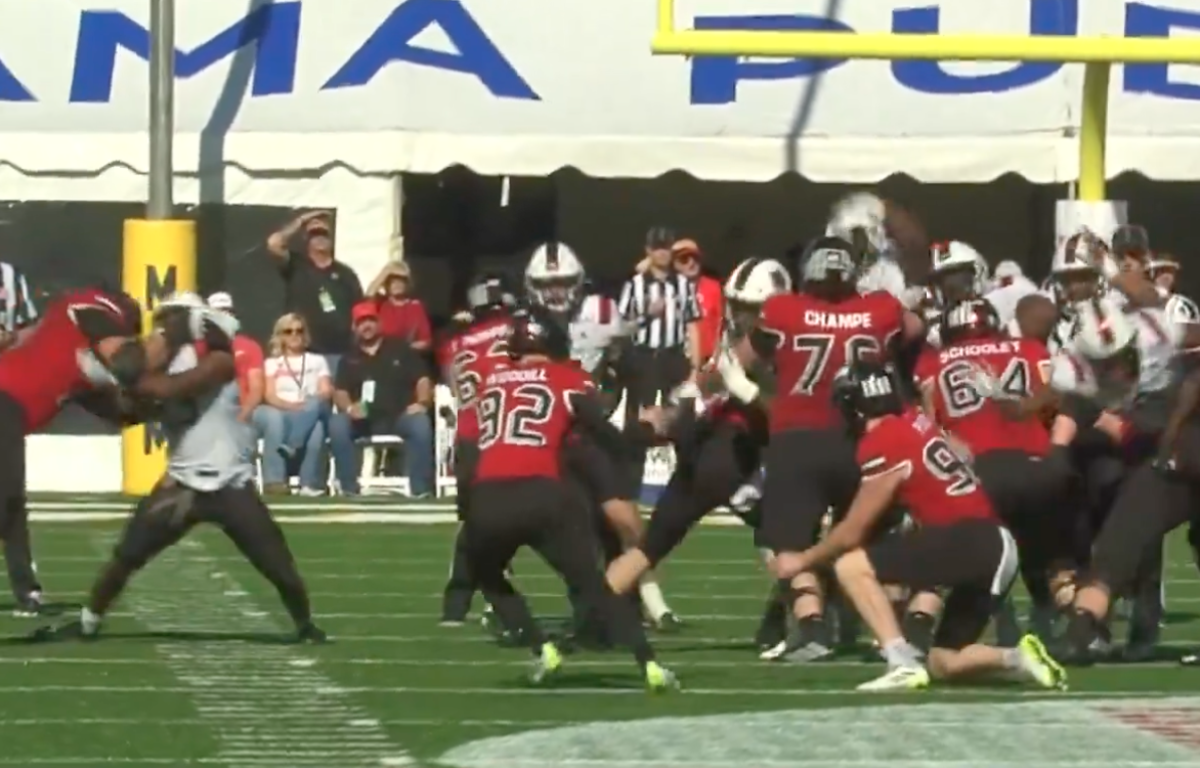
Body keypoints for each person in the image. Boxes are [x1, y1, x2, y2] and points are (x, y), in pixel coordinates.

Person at [36, 293, 325, 643]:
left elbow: (170, 389)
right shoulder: (161, 365)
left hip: (230, 483)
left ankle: (305, 625)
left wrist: (113, 377)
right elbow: (127, 415)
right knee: (126, 555)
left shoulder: (218, 360)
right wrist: (84, 393)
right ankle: (88, 622)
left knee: (278, 566)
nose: (161, 331)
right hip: (183, 485)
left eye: (169, 322)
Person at [772, 359, 1067, 693]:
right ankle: (1018, 657)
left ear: (853, 406)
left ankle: (901, 662)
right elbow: (959, 454)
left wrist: (802, 561)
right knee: (944, 661)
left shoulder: (882, 440)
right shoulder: (915, 421)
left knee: (851, 567)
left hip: (970, 539)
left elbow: (851, 531)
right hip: (997, 545)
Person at [463, 303, 676, 691]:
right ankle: (650, 666)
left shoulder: (490, 378)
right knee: (593, 586)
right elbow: (602, 434)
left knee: (487, 575)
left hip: (488, 493)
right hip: (541, 492)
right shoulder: (566, 378)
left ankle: (539, 646)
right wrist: (646, 433)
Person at [741, 235, 924, 662]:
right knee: (867, 537)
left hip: (796, 440)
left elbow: (743, 358)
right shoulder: (880, 307)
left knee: (786, 540)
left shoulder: (782, 309)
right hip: (860, 440)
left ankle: (811, 625)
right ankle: (892, 630)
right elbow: (915, 330)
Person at [0, 285, 145, 616]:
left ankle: (27, 590)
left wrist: (168, 406)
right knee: (6, 496)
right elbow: (120, 354)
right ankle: (27, 589)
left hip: (9, 407)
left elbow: (123, 415)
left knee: (12, 502)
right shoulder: (89, 308)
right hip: (4, 399)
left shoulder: (81, 365)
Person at [439, 273, 516, 624]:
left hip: (468, 438)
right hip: (498, 436)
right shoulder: (511, 330)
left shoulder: (455, 342)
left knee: (472, 525)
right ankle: (499, 599)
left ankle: (456, 605)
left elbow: (455, 384)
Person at [616, 226, 701, 496]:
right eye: (657, 247)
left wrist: (695, 369)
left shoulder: (684, 286)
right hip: (644, 357)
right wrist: (646, 315)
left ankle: (687, 490)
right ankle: (629, 489)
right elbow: (621, 326)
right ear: (649, 251)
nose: (662, 253)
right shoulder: (635, 285)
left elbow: (693, 326)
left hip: (673, 357)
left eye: (666, 247)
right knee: (640, 426)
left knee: (681, 423)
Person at [328, 301, 435, 497]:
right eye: (361, 322)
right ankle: (348, 489)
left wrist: (422, 402)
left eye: (370, 320)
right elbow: (340, 392)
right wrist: (350, 408)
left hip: (400, 416)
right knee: (337, 424)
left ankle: (421, 490)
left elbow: (422, 379)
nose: (366, 326)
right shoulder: (348, 358)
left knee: (420, 423)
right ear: (354, 327)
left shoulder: (400, 348)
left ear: (379, 322)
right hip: (363, 419)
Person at [265, 210, 363, 371]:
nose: (320, 238)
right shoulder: (296, 264)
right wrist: (302, 221)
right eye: (314, 234)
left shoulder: (346, 273)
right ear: (306, 238)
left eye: (324, 234)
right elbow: (273, 243)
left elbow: (359, 309)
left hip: (339, 352)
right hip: (303, 352)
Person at [260, 313, 334, 495]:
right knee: (315, 426)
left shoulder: (317, 360)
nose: (295, 335)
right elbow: (270, 395)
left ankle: (293, 448)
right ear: (281, 336)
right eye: (288, 331)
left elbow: (326, 390)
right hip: (284, 410)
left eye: (299, 331)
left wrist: (308, 405)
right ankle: (306, 483)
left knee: (316, 407)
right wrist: (293, 407)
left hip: (311, 406)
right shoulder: (272, 363)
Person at [206, 292, 265, 428]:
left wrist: (241, 417)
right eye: (218, 313)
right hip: (210, 415)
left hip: (243, 412)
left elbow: (256, 390)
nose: (224, 317)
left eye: (228, 312)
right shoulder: (200, 348)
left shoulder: (250, 346)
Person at [366, 261, 432, 350]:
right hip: (382, 356)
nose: (397, 285)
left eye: (401, 281)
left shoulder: (415, 307)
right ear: (386, 285)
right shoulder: (381, 303)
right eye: (393, 282)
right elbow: (369, 293)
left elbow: (426, 341)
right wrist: (387, 271)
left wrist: (403, 349)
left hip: (407, 356)